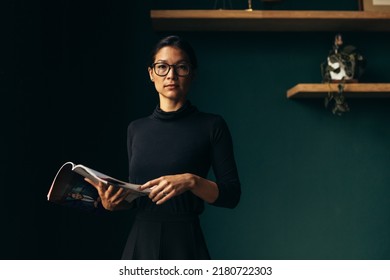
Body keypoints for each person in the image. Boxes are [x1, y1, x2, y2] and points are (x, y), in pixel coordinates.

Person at [86, 35, 241, 259]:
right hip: (140, 242)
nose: (171, 75)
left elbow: (232, 195)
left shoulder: (212, 125)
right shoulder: (135, 129)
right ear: (151, 73)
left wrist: (191, 181)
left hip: (186, 242)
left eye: (181, 67)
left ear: (193, 74)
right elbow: (138, 198)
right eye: (162, 67)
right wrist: (113, 204)